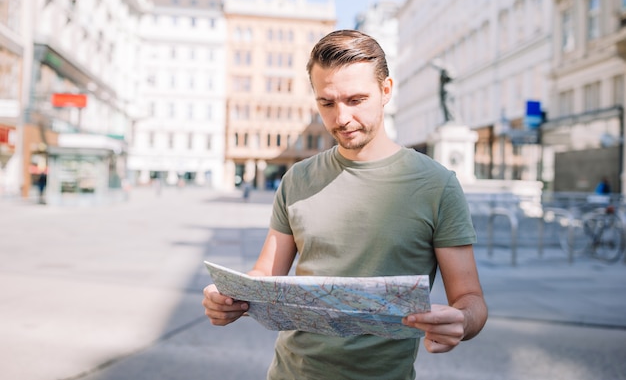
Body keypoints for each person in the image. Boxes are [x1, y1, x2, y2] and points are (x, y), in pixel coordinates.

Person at [203, 30, 488, 380]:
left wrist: (461, 321)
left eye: (356, 100)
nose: (341, 118)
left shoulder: (437, 185)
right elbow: (265, 275)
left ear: (386, 91)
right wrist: (231, 298)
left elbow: (471, 299)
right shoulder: (298, 179)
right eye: (327, 103)